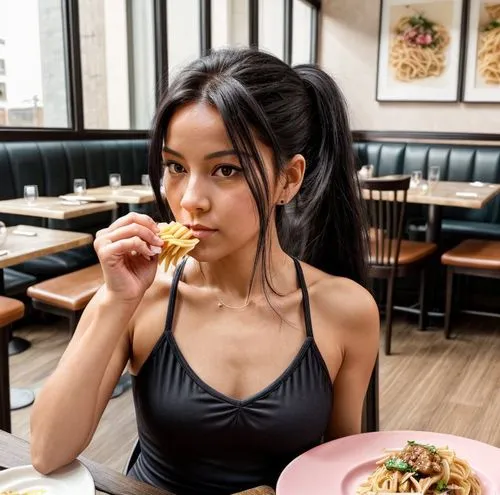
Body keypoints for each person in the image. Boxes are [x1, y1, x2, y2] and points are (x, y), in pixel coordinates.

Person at [30, 48, 379, 495]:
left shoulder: (345, 310)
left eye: (226, 169)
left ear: (288, 180)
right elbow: (46, 451)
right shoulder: (143, 296)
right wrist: (114, 301)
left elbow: (340, 466)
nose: (190, 198)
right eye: (175, 167)